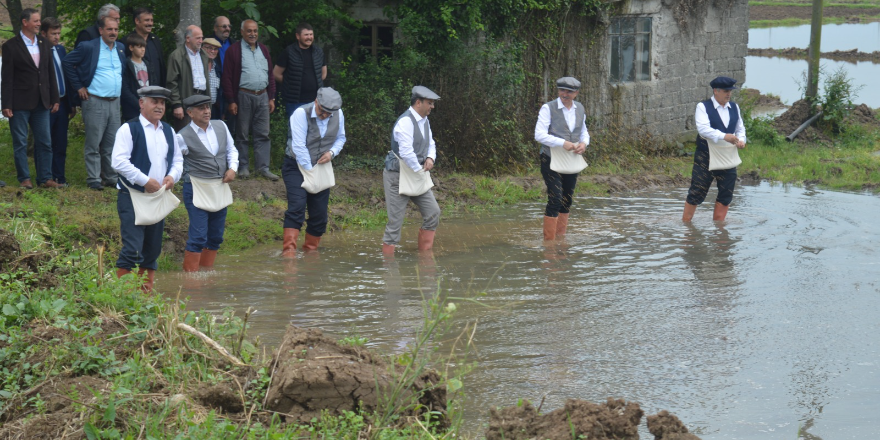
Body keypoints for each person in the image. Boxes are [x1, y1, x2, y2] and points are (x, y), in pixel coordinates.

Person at [111, 86, 183, 291]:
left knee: (152, 251)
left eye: (162, 103)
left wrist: (172, 176)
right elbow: (118, 162)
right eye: (155, 101)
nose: (159, 106)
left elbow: (178, 160)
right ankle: (120, 296)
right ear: (142, 103)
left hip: (158, 197)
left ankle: (144, 299)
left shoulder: (169, 130)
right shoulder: (128, 128)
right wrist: (145, 181)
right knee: (132, 249)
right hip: (132, 195)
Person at [63, 16, 126, 190]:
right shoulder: (89, 47)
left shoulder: (120, 48)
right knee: (94, 142)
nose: (113, 32)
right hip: (95, 100)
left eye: (115, 29)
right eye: (109, 29)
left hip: (115, 102)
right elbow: (67, 62)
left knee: (111, 143)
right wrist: (79, 87)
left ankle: (111, 177)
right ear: (101, 30)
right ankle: (93, 179)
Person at [1, 8, 62, 189]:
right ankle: (24, 179)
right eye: (35, 21)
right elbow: (7, 78)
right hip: (19, 103)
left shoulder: (44, 43)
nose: (38, 24)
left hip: (42, 102)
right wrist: (6, 103)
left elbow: (50, 72)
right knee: (20, 142)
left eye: (39, 21)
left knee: (45, 141)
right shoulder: (11, 46)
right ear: (25, 22)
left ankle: (45, 178)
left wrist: (55, 97)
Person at [281, 87, 345, 255]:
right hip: (296, 165)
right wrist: (311, 172)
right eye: (321, 111)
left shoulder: (338, 114)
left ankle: (310, 252)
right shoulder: (300, 113)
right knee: (297, 207)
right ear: (316, 101)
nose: (324, 116)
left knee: (320, 215)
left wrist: (331, 153)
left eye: (328, 114)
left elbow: (341, 138)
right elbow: (299, 146)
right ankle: (289, 254)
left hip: (321, 167)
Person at [177, 94, 238, 271]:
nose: (207, 111)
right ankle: (191, 278)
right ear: (190, 113)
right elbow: (174, 162)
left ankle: (206, 273)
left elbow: (231, 149)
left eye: (208, 107)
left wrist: (232, 168)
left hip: (219, 186)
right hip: (196, 187)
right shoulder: (181, 136)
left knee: (216, 236)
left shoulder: (221, 126)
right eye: (201, 108)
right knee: (198, 236)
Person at [381, 86, 441, 255]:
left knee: (433, 212)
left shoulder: (425, 120)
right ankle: (388, 265)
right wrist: (420, 171)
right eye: (430, 103)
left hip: (416, 174)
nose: (432, 107)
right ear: (418, 103)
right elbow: (406, 153)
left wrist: (430, 158)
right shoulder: (405, 122)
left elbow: (431, 143)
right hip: (397, 176)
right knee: (395, 222)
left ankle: (425, 256)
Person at [682, 76, 746, 222]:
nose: (729, 94)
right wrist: (724, 136)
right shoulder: (702, 107)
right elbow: (703, 129)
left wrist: (741, 140)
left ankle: (719, 230)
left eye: (730, 91)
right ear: (716, 91)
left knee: (726, 194)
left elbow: (740, 128)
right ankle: (686, 227)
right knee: (697, 191)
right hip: (706, 156)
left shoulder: (734, 107)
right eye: (725, 91)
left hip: (728, 157)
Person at [222, 19, 278, 180]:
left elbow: (270, 75)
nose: (252, 34)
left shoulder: (264, 50)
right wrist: (231, 100)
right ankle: (243, 167)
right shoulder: (234, 50)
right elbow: (227, 78)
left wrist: (271, 97)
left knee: (263, 133)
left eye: (255, 31)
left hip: (263, 95)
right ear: (242, 32)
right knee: (242, 133)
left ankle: (263, 168)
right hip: (243, 95)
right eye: (249, 31)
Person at [534, 76, 589, 241]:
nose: (565, 94)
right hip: (550, 158)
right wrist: (562, 142)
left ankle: (560, 239)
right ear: (558, 90)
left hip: (571, 160)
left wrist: (584, 143)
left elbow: (583, 132)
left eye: (569, 92)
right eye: (562, 90)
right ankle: (549, 243)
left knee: (567, 200)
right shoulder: (547, 108)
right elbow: (539, 135)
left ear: (576, 93)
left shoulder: (579, 108)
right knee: (556, 198)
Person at [41, 17, 76, 187]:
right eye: (53, 34)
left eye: (58, 33)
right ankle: (45, 177)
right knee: (46, 141)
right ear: (43, 34)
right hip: (46, 104)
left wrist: (71, 103)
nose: (56, 37)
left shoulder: (61, 50)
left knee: (60, 142)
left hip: (63, 102)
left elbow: (67, 77)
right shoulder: (39, 51)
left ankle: (59, 177)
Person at [274, 22, 327, 119]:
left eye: (311, 34)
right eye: (306, 35)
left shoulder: (318, 52)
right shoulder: (289, 52)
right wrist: (290, 83)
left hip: (315, 101)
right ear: (298, 36)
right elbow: (276, 74)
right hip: (295, 101)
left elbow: (323, 73)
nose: (309, 37)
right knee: (294, 131)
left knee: (314, 131)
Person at [166, 25, 209, 131]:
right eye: (198, 38)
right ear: (188, 38)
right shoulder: (176, 56)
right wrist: (176, 105)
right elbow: (172, 82)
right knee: (185, 135)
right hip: (187, 99)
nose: (201, 41)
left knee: (202, 134)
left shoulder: (203, 55)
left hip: (202, 98)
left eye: (202, 38)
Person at [121, 7, 166, 88]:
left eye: (151, 20)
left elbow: (161, 66)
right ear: (137, 21)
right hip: (136, 93)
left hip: (157, 92)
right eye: (147, 20)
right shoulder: (126, 42)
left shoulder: (155, 40)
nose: (150, 23)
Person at [121, 33, 151, 121]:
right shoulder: (126, 65)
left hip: (149, 106)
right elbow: (125, 90)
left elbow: (153, 83)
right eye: (139, 47)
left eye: (144, 47)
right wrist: (139, 104)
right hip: (132, 109)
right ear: (131, 48)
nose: (142, 50)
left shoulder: (148, 64)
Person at [201, 38, 223, 118]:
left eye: (215, 49)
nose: (213, 51)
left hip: (214, 108)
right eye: (209, 48)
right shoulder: (198, 65)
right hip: (200, 107)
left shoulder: (217, 67)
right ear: (202, 48)